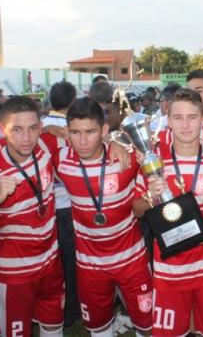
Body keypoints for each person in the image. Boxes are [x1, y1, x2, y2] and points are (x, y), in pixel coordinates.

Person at [132, 88, 203, 337]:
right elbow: (136, 210)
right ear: (168, 120)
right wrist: (152, 197)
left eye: (192, 117)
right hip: (169, 269)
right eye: (178, 117)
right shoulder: (154, 160)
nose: (185, 124)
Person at [0, 96, 65, 337]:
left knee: (54, 326)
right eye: (16, 130)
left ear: (40, 126)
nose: (27, 138)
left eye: (32, 128)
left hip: (50, 262)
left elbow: (89, 139)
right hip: (14, 273)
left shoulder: (46, 145)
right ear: (1, 129)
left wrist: (115, 145)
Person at [54, 98, 153, 337]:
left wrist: (116, 142)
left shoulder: (126, 160)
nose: (83, 140)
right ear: (68, 132)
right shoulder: (59, 160)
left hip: (132, 259)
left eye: (91, 132)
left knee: (147, 325)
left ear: (104, 130)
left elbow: (159, 150)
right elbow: (20, 142)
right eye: (76, 132)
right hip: (90, 264)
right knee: (98, 328)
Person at [41, 81, 81, 328]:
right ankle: (71, 311)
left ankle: (58, 310)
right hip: (70, 204)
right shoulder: (72, 128)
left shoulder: (37, 127)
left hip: (46, 208)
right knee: (71, 260)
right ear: (73, 100)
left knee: (54, 262)